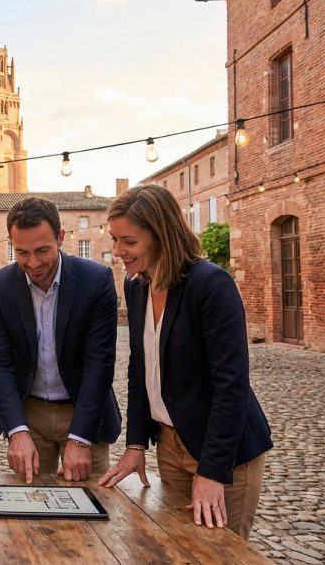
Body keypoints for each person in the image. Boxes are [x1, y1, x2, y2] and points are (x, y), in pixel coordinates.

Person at [98, 185, 272, 540]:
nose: (118, 251)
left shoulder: (211, 284)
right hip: (170, 445)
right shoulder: (136, 286)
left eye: (128, 241)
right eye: (115, 240)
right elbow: (139, 369)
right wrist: (135, 445)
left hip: (224, 452)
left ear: (160, 234)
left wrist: (213, 470)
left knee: (219, 552)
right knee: (175, 547)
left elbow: (231, 383)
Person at [0, 197, 121, 484]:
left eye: (42, 250)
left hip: (83, 409)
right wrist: (16, 430)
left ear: (60, 237)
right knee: (30, 511)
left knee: (92, 510)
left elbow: (100, 362)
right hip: (29, 413)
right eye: (21, 252)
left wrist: (81, 438)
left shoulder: (96, 280)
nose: (33, 263)